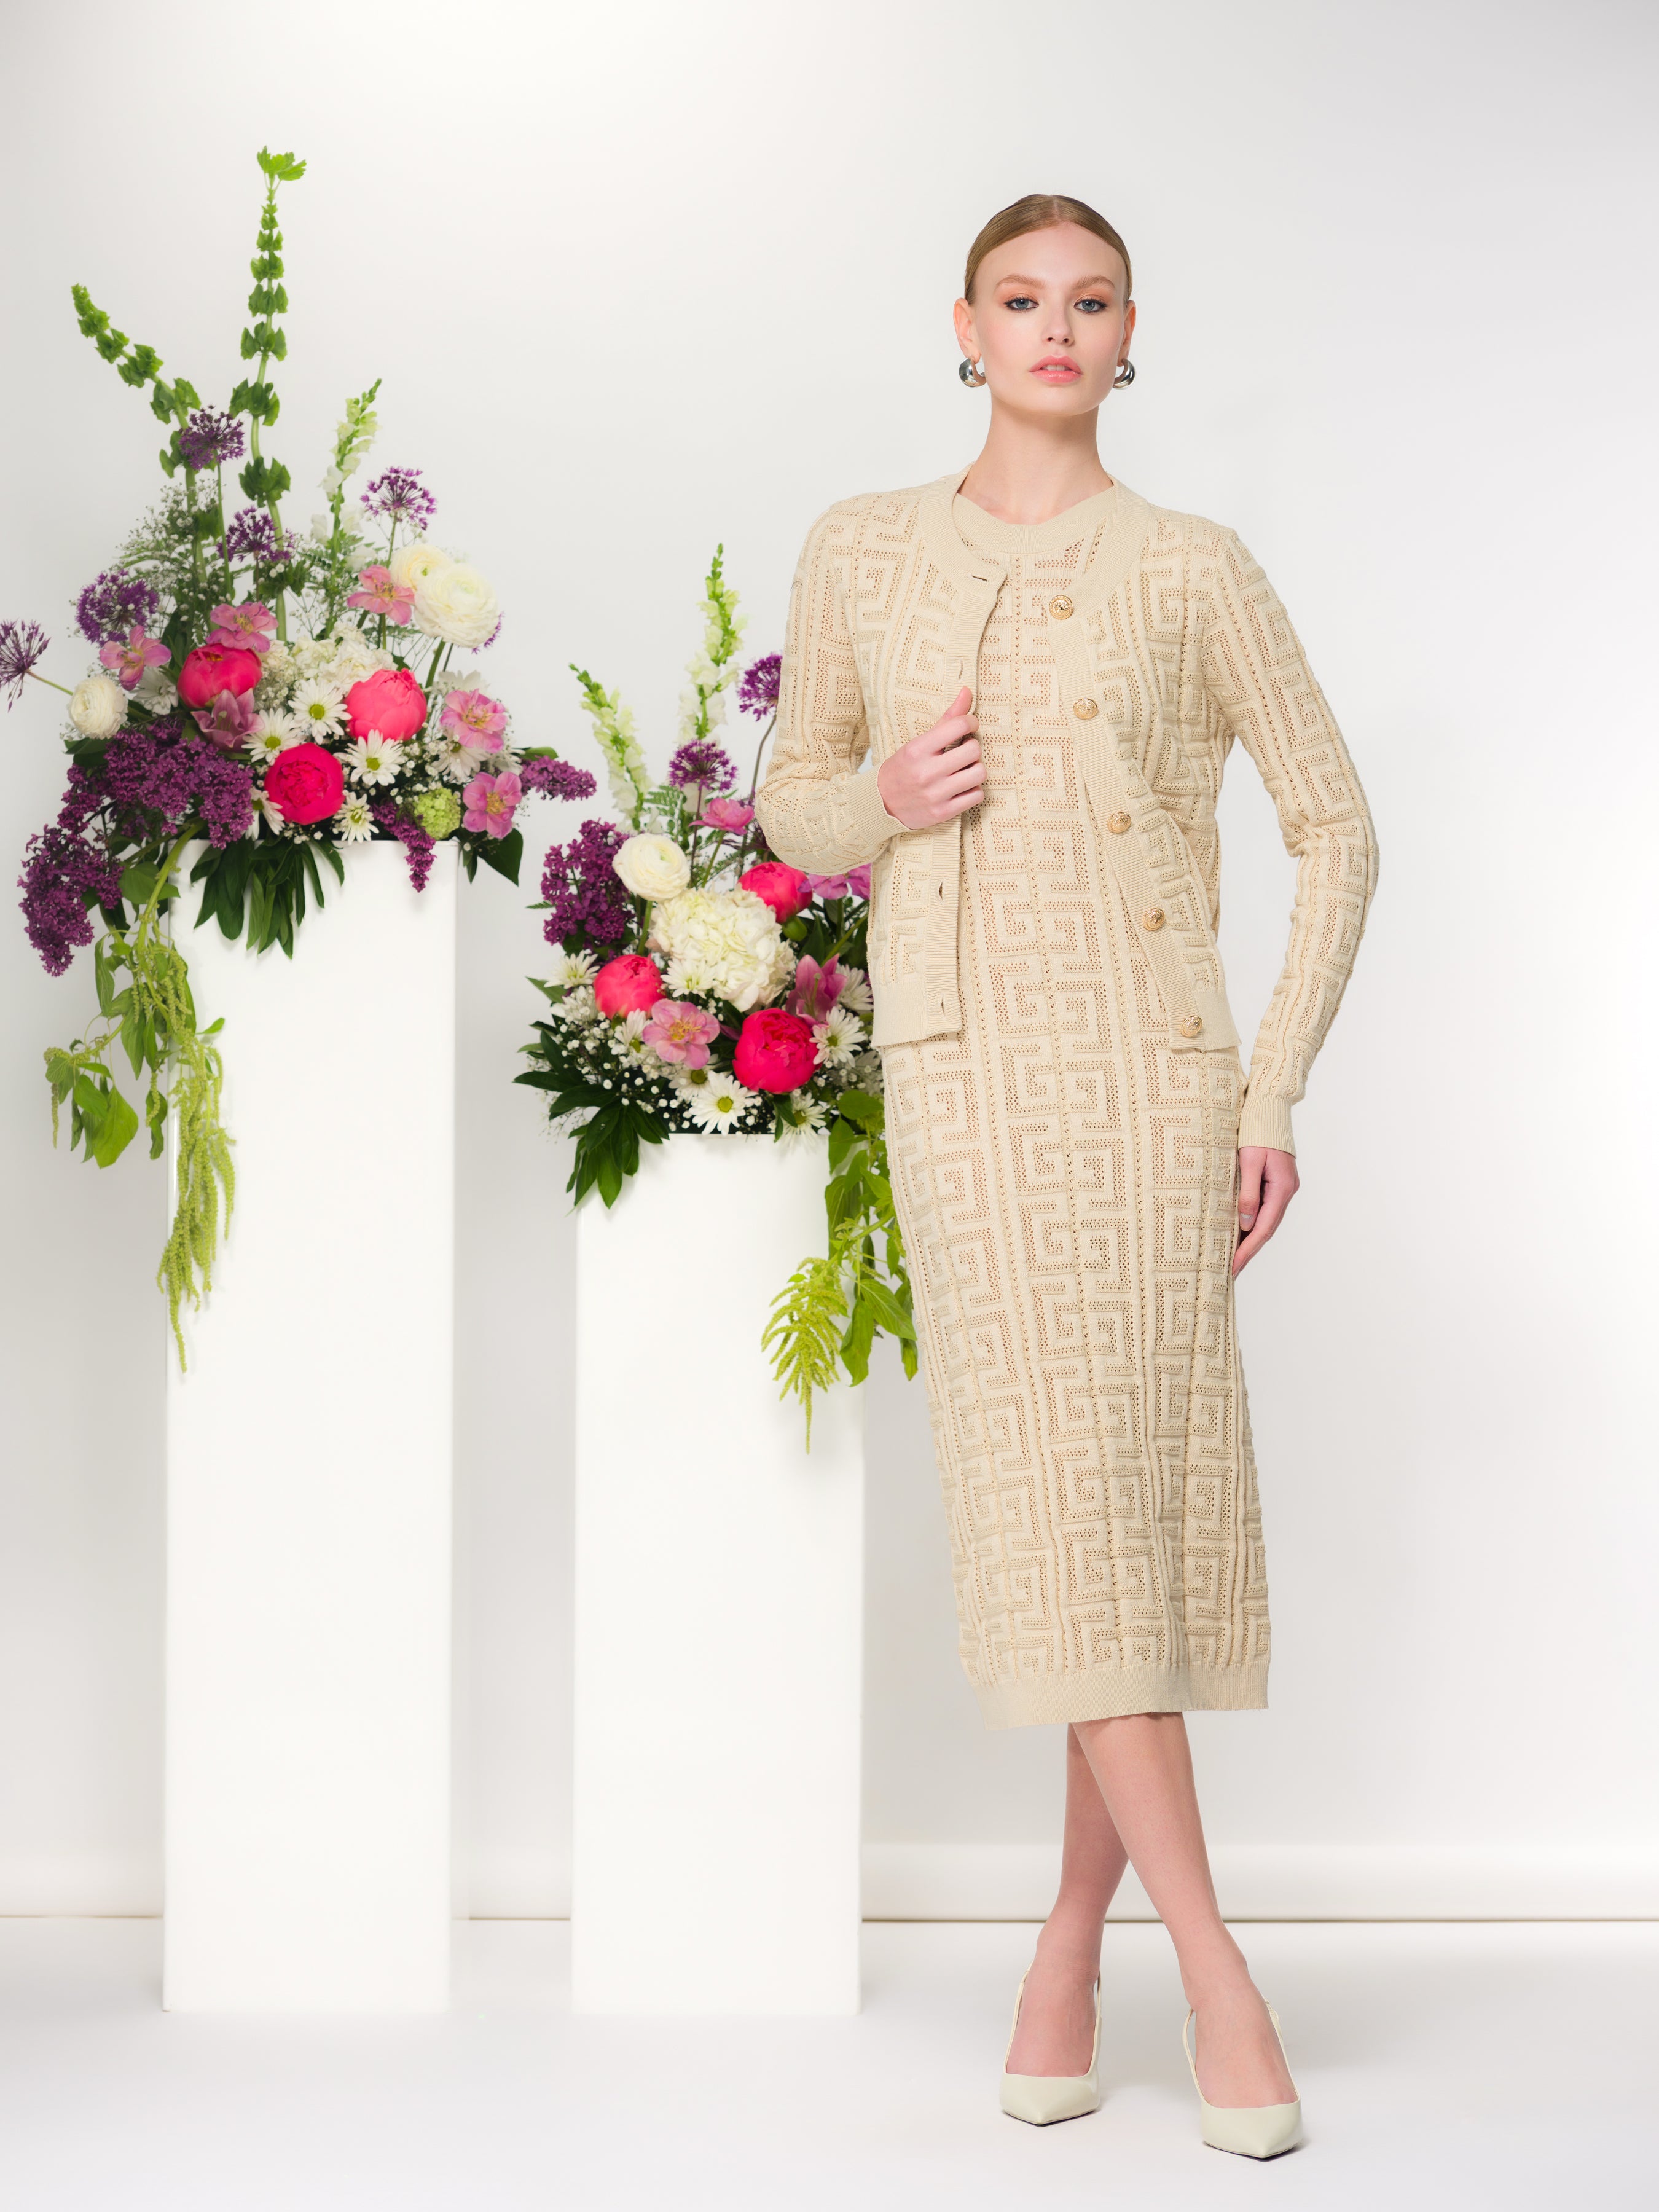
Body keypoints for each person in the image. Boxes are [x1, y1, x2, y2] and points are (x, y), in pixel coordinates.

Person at [753, 192, 1378, 2159]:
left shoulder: (1194, 567)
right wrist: (881, 803)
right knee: (1057, 1506)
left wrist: (1268, 1095)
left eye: (1089, 302)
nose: (1054, 328)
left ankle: (1067, 1947)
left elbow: (1336, 834)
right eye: (1020, 299)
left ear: (1130, 336)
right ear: (964, 324)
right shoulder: (859, 547)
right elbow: (791, 795)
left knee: (1120, 1505)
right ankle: (1212, 1968)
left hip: (1158, 1087)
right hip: (963, 1084)